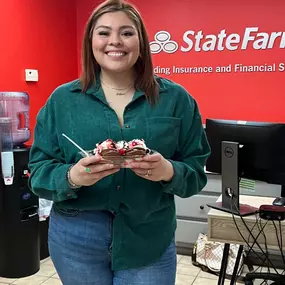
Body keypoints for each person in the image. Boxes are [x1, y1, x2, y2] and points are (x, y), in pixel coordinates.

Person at [28, 0, 211, 284]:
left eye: (126, 32)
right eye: (104, 33)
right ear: (91, 40)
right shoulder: (61, 102)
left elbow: (196, 172)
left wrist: (169, 172)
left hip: (148, 237)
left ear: (141, 41)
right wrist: (72, 176)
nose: (115, 41)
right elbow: (38, 174)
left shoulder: (177, 100)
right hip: (76, 237)